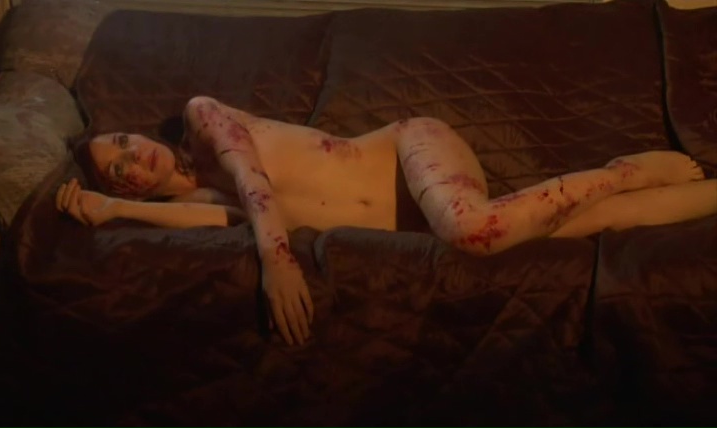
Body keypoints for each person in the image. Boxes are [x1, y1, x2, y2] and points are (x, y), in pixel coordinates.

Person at [56, 96, 717, 346]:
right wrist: (114, 209)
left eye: (122, 142)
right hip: (422, 226)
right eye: (118, 171)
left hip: (414, 154)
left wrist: (277, 266)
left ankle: (623, 169)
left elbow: (254, 185)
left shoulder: (203, 116)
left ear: (139, 130)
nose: (131, 159)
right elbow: (218, 218)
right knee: (604, 225)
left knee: (472, 229)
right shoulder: (204, 199)